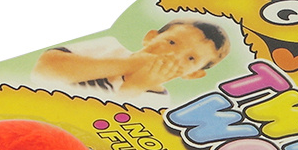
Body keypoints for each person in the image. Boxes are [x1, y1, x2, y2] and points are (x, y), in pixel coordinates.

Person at [31, 20, 230, 108]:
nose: (173, 55)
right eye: (171, 42)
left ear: (193, 74)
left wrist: (135, 86)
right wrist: (132, 64)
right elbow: (44, 69)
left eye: (191, 59)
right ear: (150, 37)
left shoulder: (157, 103)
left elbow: (102, 128)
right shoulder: (107, 46)